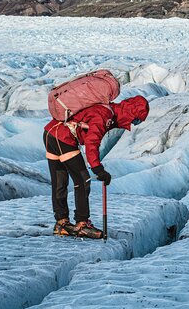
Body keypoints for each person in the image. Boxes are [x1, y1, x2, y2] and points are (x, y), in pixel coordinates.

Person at [43, 95, 149, 238]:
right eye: (136, 120)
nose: (134, 124)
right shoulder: (105, 115)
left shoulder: (106, 109)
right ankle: (82, 224)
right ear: (130, 112)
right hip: (63, 137)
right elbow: (92, 142)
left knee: (59, 180)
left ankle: (61, 223)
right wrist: (98, 169)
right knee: (82, 180)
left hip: (50, 132)